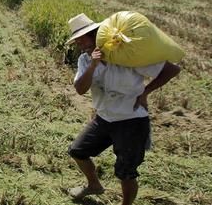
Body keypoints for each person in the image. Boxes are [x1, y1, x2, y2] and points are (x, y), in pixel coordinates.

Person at [65, 13, 180, 205]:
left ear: (94, 35)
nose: (78, 44)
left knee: (125, 172)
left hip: (131, 121)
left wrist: (146, 92)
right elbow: (80, 89)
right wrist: (93, 66)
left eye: (81, 39)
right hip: (104, 119)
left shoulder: (128, 54)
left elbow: (172, 69)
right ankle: (94, 185)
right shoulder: (85, 60)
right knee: (77, 151)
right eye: (76, 40)